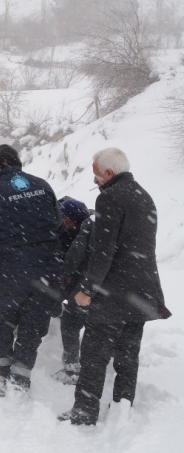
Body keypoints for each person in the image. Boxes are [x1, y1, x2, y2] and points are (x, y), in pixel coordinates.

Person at [58, 148, 172, 426]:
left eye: (96, 173)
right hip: (142, 291)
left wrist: (86, 290)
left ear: (109, 173)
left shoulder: (109, 198)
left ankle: (84, 412)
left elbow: (103, 252)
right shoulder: (144, 196)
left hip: (114, 293)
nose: (95, 178)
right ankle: (123, 406)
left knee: (94, 355)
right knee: (127, 354)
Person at [0, 144, 61, 396]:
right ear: (18, 162)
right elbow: (56, 221)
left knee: (3, 323)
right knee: (32, 326)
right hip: (46, 267)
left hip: (13, 268)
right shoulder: (43, 185)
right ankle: (20, 380)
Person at [53, 197, 93, 385]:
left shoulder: (87, 229)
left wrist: (63, 276)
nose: (63, 222)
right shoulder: (71, 229)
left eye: (66, 219)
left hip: (89, 282)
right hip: (90, 280)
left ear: (74, 218)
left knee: (71, 322)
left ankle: (73, 370)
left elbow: (75, 255)